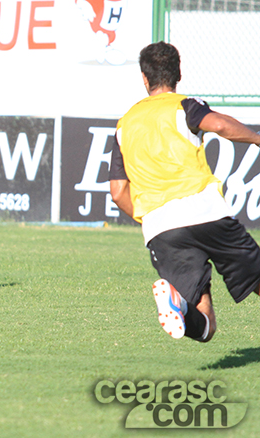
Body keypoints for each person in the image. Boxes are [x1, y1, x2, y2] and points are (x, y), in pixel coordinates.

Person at [109, 41, 260, 343]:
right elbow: (217, 123)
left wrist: (151, 219)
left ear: (144, 78)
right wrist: (256, 138)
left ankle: (176, 303)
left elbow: (117, 192)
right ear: (178, 74)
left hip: (161, 227)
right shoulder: (183, 105)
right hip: (204, 212)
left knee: (204, 323)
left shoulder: (125, 124)